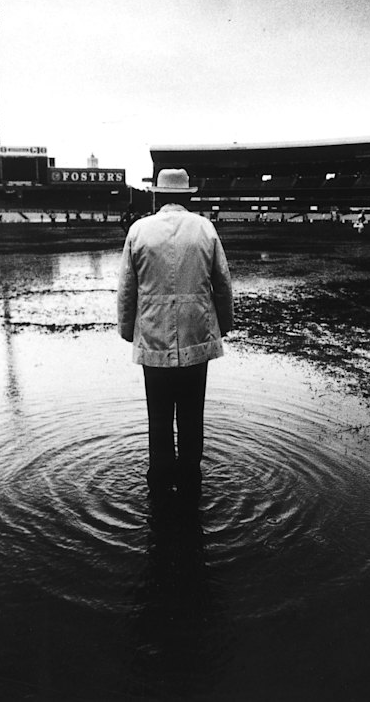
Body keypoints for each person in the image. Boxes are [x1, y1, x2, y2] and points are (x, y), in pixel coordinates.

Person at [117, 168, 234, 500]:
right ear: (187, 197)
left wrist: (129, 331)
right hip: (196, 336)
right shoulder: (204, 229)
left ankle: (160, 480)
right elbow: (223, 284)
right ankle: (190, 480)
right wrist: (222, 327)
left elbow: (127, 289)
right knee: (191, 414)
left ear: (156, 195)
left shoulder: (139, 231)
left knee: (159, 417)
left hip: (153, 339)